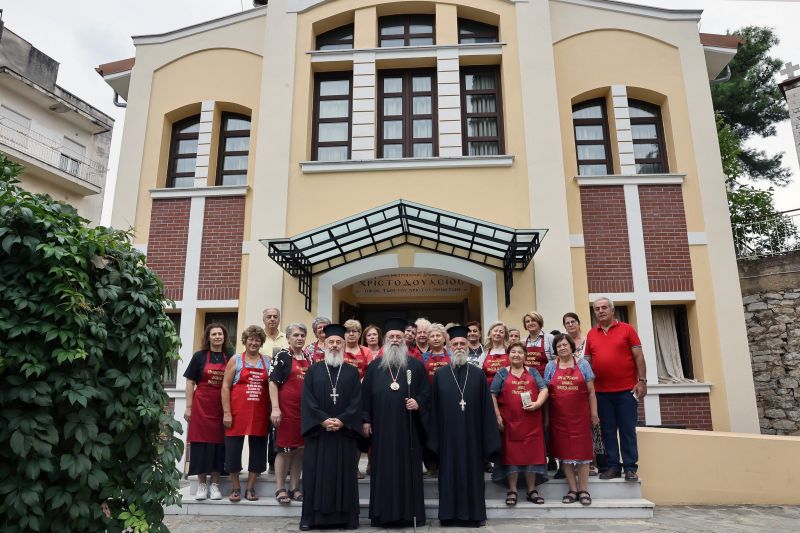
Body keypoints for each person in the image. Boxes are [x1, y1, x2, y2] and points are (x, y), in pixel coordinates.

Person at [428, 325, 501, 527]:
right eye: (455, 344)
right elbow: (433, 409)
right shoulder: (441, 375)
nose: (459, 347)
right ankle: (448, 515)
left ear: (468, 347)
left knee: (472, 476)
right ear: (449, 347)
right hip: (447, 437)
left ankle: (475, 515)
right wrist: (434, 439)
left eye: (462, 344)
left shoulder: (478, 375)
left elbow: (487, 409)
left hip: (472, 437)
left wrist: (488, 438)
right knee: (449, 476)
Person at [362, 318, 430, 527]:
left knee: (407, 471)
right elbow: (364, 397)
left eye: (398, 337)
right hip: (382, 431)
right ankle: (382, 515)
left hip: (408, 431)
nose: (394, 340)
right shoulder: (374, 367)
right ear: (385, 341)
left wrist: (417, 403)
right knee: (382, 471)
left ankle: (409, 514)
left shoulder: (416, 366)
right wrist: (365, 420)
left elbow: (427, 394)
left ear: (404, 341)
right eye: (390, 337)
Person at [300, 324, 362, 530]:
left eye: (338, 342)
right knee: (313, 477)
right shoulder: (313, 370)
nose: (335, 346)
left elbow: (357, 401)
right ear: (324, 345)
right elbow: (307, 400)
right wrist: (323, 420)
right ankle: (310, 518)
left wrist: (343, 420)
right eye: (331, 342)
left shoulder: (352, 372)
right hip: (319, 434)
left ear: (344, 345)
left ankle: (347, 518)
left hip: (343, 435)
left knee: (345, 476)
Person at [583, 297, 647, 482]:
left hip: (627, 390)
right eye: (597, 309)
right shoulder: (591, 334)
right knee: (607, 430)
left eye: (604, 308)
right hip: (601, 392)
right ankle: (613, 467)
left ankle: (630, 468)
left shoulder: (627, 329)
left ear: (612, 310)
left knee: (627, 430)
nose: (600, 311)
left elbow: (639, 357)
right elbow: (587, 362)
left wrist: (642, 381)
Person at [491, 341, 549, 506]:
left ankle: (532, 490)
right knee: (511, 456)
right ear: (508, 355)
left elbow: (544, 389)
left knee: (532, 455)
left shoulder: (534, 372)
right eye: (513, 352)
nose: (516, 355)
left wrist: (538, 403)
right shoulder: (501, 373)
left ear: (525, 356)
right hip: (509, 422)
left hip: (532, 422)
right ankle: (513, 490)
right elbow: (492, 394)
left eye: (520, 352)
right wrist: (497, 416)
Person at [544, 334, 599, 506]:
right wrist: (546, 418)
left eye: (565, 345)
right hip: (558, 417)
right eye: (558, 346)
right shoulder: (550, 366)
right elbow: (545, 393)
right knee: (564, 453)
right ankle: (572, 489)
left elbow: (591, 391)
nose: (562, 348)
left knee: (583, 452)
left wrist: (594, 414)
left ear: (571, 346)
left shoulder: (583, 364)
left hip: (581, 416)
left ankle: (583, 490)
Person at [221, 325, 270, 502]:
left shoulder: (268, 361)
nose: (254, 342)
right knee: (233, 450)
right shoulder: (236, 360)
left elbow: (272, 387)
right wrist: (227, 412)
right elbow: (225, 387)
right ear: (245, 341)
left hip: (260, 413)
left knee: (258, 451)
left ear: (261, 342)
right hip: (236, 412)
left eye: (257, 339)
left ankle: (250, 488)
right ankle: (235, 487)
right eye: (251, 339)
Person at [183, 323, 231, 501]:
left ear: (225, 337)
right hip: (201, 406)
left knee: (220, 445)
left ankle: (215, 485)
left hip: (222, 406)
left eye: (220, 334)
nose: (217, 337)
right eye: (214, 334)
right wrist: (188, 407)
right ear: (208, 337)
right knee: (200, 445)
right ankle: (202, 484)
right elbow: (190, 382)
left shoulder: (231, 357)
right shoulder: (199, 356)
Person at [269, 323, 311, 504]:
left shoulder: (309, 358)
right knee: (285, 450)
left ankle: (294, 488)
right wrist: (275, 408)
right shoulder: (282, 356)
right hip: (286, 412)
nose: (299, 338)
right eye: (296, 335)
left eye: (302, 335)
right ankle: (280, 488)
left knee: (300, 451)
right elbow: (273, 383)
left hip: (305, 413)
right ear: (288, 338)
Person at [522, 311, 554, 378]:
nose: (530, 323)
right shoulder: (523, 342)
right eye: (527, 321)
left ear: (539, 322)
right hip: (528, 381)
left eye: (533, 320)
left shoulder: (549, 338)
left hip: (546, 380)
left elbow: (556, 360)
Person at [482, 321, 509, 387]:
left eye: (501, 332)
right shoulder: (485, 352)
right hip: (488, 389)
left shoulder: (510, 351)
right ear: (490, 333)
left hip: (505, 388)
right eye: (495, 331)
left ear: (505, 335)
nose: (498, 333)